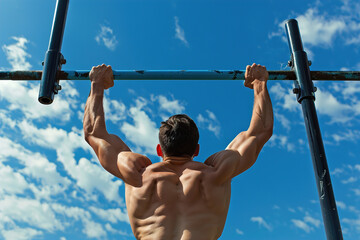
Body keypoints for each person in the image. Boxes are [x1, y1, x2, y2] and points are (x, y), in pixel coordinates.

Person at [83, 63, 273, 240]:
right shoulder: (216, 172)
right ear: (196, 150)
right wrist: (258, 84)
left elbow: (94, 133)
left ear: (159, 149)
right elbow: (260, 132)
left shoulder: (137, 173)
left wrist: (97, 85)